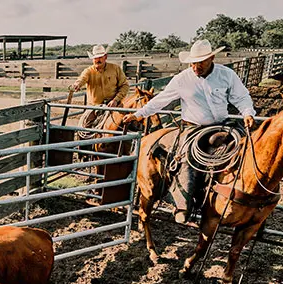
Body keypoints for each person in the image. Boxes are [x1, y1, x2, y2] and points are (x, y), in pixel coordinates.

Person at [122, 39, 257, 223]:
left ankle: (250, 199)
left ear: (212, 58)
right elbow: (161, 100)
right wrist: (138, 115)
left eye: (200, 62)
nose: (195, 66)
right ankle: (182, 205)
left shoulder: (226, 75)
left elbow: (241, 97)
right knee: (187, 157)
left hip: (222, 125)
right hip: (193, 128)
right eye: (193, 62)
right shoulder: (182, 79)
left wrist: (248, 113)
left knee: (247, 149)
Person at [70, 45, 130, 134]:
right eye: (95, 58)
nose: (97, 60)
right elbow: (82, 79)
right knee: (84, 128)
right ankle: (82, 145)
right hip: (94, 106)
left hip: (114, 104)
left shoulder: (115, 69)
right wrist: (77, 85)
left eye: (100, 57)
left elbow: (125, 85)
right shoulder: (88, 71)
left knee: (127, 124)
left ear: (105, 57)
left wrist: (116, 100)